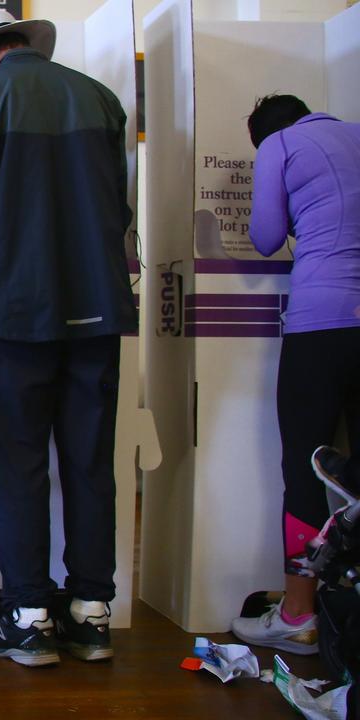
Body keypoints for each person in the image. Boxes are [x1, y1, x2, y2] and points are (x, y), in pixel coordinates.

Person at [0, 10, 136, 667]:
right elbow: (121, 207)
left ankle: (27, 616)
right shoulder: (101, 99)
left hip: (15, 312)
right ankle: (91, 614)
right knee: (90, 461)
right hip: (98, 307)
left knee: (20, 464)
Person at [230, 95, 360, 655]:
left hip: (321, 323)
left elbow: (264, 236)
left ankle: (300, 615)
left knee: (306, 464)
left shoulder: (279, 146)